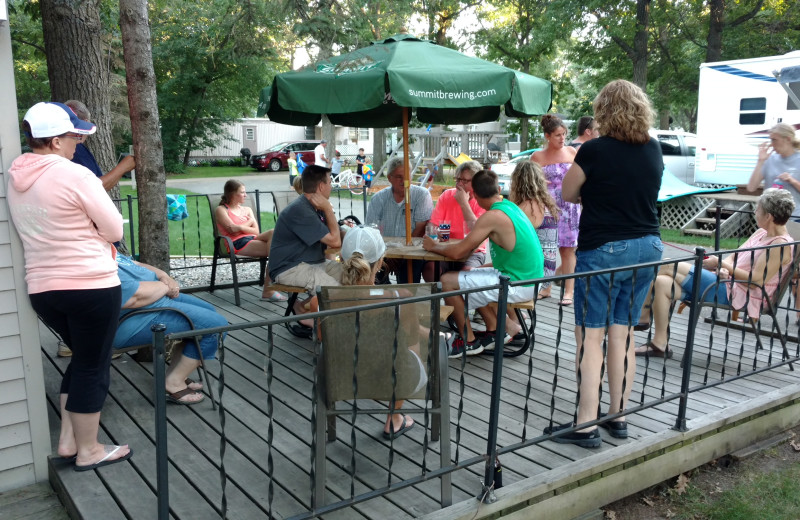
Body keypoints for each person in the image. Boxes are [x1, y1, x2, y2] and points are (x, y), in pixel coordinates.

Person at [8, 102, 132, 470]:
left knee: (81, 359)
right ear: (56, 139)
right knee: (94, 366)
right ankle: (90, 450)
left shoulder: (16, 175)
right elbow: (114, 230)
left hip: (44, 289)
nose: (78, 143)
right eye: (74, 136)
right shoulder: (75, 175)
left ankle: (67, 441)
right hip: (90, 286)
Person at [552, 79, 664, 448]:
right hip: (647, 247)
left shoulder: (593, 150)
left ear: (604, 111)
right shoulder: (653, 148)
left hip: (603, 250)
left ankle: (585, 424)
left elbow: (569, 193)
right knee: (624, 333)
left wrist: (596, 194)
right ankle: (618, 416)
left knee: (590, 336)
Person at [636, 189, 794, 357]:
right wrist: (725, 267)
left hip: (740, 294)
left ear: (768, 216)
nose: (755, 212)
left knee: (667, 264)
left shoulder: (779, 245)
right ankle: (660, 344)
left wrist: (720, 263)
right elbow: (734, 257)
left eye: (758, 210)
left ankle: (642, 317)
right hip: (727, 283)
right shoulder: (761, 232)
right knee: (661, 282)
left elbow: (756, 280)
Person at [423, 170, 543, 357]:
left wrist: (433, 246)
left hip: (518, 284)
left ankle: (469, 340)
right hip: (529, 280)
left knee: (447, 281)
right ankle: (495, 330)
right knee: (470, 274)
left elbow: (458, 252)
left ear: (476, 196)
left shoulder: (492, 216)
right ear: (498, 189)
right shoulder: (510, 206)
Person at [337, 226, 429, 439]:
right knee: (415, 355)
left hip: (343, 378)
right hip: (391, 377)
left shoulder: (323, 299)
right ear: (380, 262)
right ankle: (394, 417)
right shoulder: (401, 297)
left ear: (342, 259)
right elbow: (412, 348)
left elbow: (325, 344)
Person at [113, 254, 228, 404]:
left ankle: (175, 374)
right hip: (135, 319)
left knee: (210, 312)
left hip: (156, 299)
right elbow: (134, 298)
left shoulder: (103, 245)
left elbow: (136, 264)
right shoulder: (91, 256)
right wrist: (166, 285)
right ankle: (174, 382)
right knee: (216, 326)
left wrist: (163, 275)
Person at [269, 164, 343, 334]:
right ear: (321, 186)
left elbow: (334, 235)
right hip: (289, 268)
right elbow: (335, 242)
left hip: (311, 262)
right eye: (330, 182)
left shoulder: (313, 207)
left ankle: (302, 309)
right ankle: (330, 330)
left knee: (352, 276)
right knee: (335, 292)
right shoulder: (301, 210)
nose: (331, 186)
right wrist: (327, 208)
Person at [746, 123, 800, 322]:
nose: (772, 144)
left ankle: (798, 312)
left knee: (793, 271)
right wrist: (761, 162)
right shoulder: (771, 160)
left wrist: (793, 181)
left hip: (794, 221)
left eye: (775, 140)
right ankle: (755, 308)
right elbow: (752, 187)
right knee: (759, 265)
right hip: (769, 222)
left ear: (787, 139)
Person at [532, 114, 579, 305]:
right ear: (547, 136)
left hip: (570, 207)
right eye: (558, 135)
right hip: (547, 208)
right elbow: (531, 182)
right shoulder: (538, 156)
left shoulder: (571, 152)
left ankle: (569, 291)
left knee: (568, 251)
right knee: (546, 250)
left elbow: (580, 177)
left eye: (564, 134)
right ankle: (546, 287)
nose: (562, 139)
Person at [214, 180, 285, 301]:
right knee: (280, 250)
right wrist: (249, 223)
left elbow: (256, 231)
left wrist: (241, 227)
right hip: (235, 243)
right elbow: (232, 231)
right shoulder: (222, 210)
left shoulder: (247, 209)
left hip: (252, 239)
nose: (245, 195)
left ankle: (270, 288)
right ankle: (270, 288)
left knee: (274, 233)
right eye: (242, 192)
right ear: (232, 194)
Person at [365, 156, 433, 282]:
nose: (404, 180)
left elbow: (420, 228)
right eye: (399, 177)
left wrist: (401, 255)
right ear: (389, 178)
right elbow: (371, 231)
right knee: (373, 276)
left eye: (407, 176)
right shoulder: (378, 199)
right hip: (383, 252)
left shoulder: (421, 195)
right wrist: (388, 256)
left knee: (408, 275)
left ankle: (407, 299)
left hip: (413, 251)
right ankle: (385, 298)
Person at [509, 160, 559, 300]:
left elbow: (513, 239)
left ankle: (506, 319)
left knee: (484, 278)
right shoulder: (543, 203)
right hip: (547, 271)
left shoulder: (529, 207)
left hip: (535, 274)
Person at [428, 160, 488, 275]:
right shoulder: (447, 195)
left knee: (467, 274)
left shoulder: (481, 200)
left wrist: (463, 203)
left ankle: (451, 290)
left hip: (473, 251)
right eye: (458, 179)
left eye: (464, 181)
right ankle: (442, 291)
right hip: (446, 247)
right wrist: (437, 231)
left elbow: (478, 232)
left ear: (476, 183)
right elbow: (432, 224)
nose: (459, 184)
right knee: (430, 268)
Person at [64, 99, 136, 191]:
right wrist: (123, 168)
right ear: (86, 122)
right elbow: (94, 188)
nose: (77, 141)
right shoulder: (75, 149)